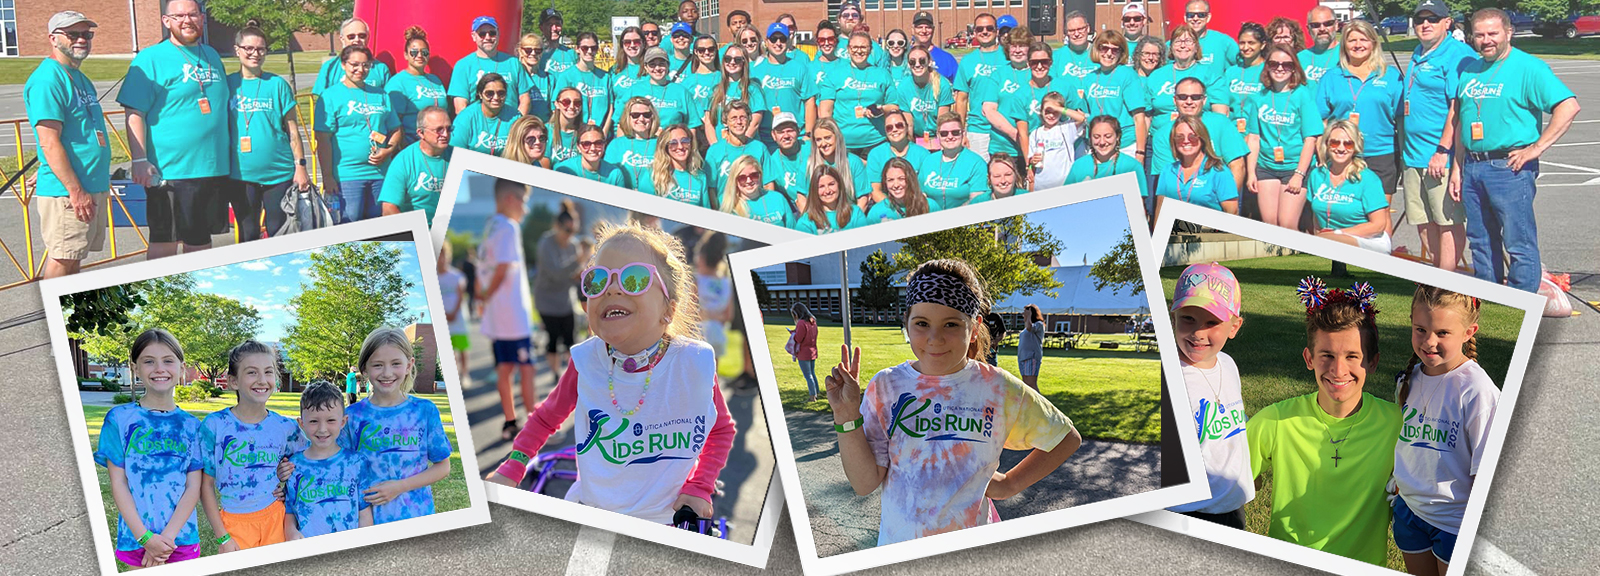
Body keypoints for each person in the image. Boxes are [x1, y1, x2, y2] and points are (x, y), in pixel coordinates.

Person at [488, 222, 737, 526]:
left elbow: (721, 431)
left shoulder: (693, 362)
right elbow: (545, 418)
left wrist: (700, 486)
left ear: (668, 310)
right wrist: (513, 465)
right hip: (593, 510)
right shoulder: (586, 360)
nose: (613, 289)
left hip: (667, 517)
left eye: (635, 279)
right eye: (597, 281)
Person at [828, 259, 1082, 545]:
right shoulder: (887, 387)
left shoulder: (997, 387)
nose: (935, 338)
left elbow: (1066, 438)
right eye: (922, 323)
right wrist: (846, 414)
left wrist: (1011, 483)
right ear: (907, 325)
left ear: (974, 328)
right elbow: (864, 483)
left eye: (951, 324)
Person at [1249, 277, 1400, 566]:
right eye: (1326, 355)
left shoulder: (1396, 424)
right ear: (1309, 358)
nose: (1338, 369)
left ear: (1373, 362)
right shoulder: (1276, 420)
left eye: (1352, 356)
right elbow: (1229, 478)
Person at [1451, 8, 1578, 292]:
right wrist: (1458, 169)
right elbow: (1462, 121)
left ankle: (1521, 304)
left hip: (1509, 168)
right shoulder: (1470, 69)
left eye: (1493, 33)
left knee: (1518, 242)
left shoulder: (1528, 67)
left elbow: (1568, 107)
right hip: (1473, 166)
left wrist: (1536, 148)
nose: (1486, 40)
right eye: (1479, 34)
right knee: (1481, 241)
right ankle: (1488, 300)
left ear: (1509, 32)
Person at [1393, 286, 1498, 575]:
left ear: (1469, 331)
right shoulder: (1409, 379)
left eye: (1442, 333)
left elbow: (1486, 473)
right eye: (1420, 329)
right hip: (1408, 512)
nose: (1429, 342)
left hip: (1454, 524)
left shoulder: (1477, 390)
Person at [120, 0, 230, 258]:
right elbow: (134, 113)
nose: (187, 20)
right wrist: (139, 159)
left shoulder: (212, 55)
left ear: (202, 18)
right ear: (166, 21)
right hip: (170, 170)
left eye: (193, 14)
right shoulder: (149, 59)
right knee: (165, 243)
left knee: (200, 242)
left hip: (212, 167)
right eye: (179, 16)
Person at [96, 329, 204, 569]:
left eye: (168, 361)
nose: (159, 369)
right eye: (149, 361)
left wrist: (165, 540)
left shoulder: (193, 426)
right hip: (136, 538)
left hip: (181, 538)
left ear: (181, 367)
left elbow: (193, 486)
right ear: (136, 368)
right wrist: (146, 538)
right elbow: (119, 483)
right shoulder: (119, 419)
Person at [1164, 263, 1253, 528]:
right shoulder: (1170, 377)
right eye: (1188, 318)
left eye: (1212, 322)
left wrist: (1245, 473)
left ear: (1234, 326)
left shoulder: (1227, 364)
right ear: (1174, 319)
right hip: (1189, 513)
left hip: (1232, 505)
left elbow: (1233, 430)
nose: (1198, 333)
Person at [335, 327, 453, 524]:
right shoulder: (352, 416)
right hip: (366, 520)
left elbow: (443, 466)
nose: (387, 373)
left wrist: (400, 486)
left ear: (409, 365)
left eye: (396, 363)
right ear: (364, 369)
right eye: (378, 365)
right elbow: (337, 466)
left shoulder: (424, 410)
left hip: (416, 516)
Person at [198, 340, 305, 551]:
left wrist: (288, 475)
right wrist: (222, 538)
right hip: (234, 522)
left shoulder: (286, 427)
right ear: (233, 381)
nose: (262, 380)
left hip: (276, 517)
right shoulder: (215, 426)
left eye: (268, 372)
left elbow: (309, 462)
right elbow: (205, 485)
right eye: (252, 373)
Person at [29, 11, 111, 277]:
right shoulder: (48, 80)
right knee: (63, 259)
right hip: (70, 192)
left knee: (75, 258)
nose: (81, 40)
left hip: (90, 184)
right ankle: (52, 316)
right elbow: (49, 141)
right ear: (53, 38)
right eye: (73, 34)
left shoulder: (81, 79)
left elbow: (74, 133)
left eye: (86, 34)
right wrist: (75, 191)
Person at [1403, 0, 1474, 272]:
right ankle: (1436, 276)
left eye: (1433, 19)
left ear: (1447, 23)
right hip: (1413, 155)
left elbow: (1457, 108)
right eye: (1421, 19)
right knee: (1424, 221)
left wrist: (1442, 150)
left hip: (1438, 156)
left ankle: (1447, 281)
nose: (1425, 24)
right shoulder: (1418, 52)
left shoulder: (1458, 54)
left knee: (1447, 221)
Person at [1317, 20, 1403, 227]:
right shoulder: (1331, 77)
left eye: (1363, 39)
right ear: (1343, 44)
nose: (1357, 44)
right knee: (1345, 215)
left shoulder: (1390, 76)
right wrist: (1322, 154)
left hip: (1381, 153)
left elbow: (1401, 118)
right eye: (1351, 40)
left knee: (1380, 216)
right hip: (1342, 154)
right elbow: (1321, 119)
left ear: (1373, 42)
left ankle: (1383, 258)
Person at [313, 45, 403, 224]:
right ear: (343, 64)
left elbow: (396, 129)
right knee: (350, 224)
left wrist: (388, 150)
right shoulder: (330, 96)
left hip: (380, 174)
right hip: (347, 175)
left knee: (380, 226)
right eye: (355, 64)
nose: (360, 70)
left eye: (366, 65)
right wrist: (328, 176)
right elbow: (323, 139)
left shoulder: (380, 94)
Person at [478, 179, 538, 440]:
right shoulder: (508, 227)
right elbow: (502, 268)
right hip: (512, 316)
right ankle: (535, 426)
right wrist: (486, 295)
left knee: (505, 369)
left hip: (499, 315)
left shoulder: (490, 225)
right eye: (523, 201)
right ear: (510, 199)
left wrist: (483, 297)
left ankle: (510, 421)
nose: (525, 209)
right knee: (526, 369)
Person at [283, 382, 373, 539]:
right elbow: (290, 509)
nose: (322, 429)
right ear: (301, 423)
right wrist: (290, 530)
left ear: (343, 422)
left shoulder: (356, 463)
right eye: (313, 421)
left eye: (331, 420)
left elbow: (364, 512)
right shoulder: (294, 465)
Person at [1245, 46, 1322, 230]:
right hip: (1266, 166)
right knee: (1270, 225)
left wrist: (1299, 174)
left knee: (1287, 225)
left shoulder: (1302, 95)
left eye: (1286, 65)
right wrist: (1251, 173)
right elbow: (1254, 138)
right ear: (1267, 67)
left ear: (1294, 68)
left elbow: (1310, 139)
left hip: (1295, 167)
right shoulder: (1259, 96)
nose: (1280, 69)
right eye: (1274, 64)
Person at [1149, 77, 1248, 192]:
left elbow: (1237, 166)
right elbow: (1167, 179)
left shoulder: (1221, 123)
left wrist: (1227, 200)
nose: (1189, 101)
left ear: (1204, 100)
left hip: (1221, 193)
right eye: (1182, 97)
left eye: (1195, 97)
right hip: (1182, 198)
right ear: (1174, 100)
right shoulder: (1162, 134)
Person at [1309, 121, 1391, 253]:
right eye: (1335, 142)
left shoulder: (1368, 179)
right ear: (1326, 145)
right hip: (1329, 238)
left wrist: (1338, 234)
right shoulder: (1317, 175)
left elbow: (1379, 225)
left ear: (1355, 147)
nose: (1341, 148)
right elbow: (1316, 216)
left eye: (1348, 144)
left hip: (1368, 240)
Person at [535, 205, 588, 376]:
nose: (570, 234)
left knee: (571, 340)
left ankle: (570, 375)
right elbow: (555, 274)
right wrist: (576, 262)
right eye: (567, 229)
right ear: (557, 226)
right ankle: (555, 373)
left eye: (573, 230)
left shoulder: (573, 245)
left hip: (565, 300)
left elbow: (573, 276)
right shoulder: (545, 243)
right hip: (547, 300)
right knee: (552, 339)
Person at [823, 32, 895, 156]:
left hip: (876, 141)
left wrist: (881, 109)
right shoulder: (834, 74)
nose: (859, 51)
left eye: (863, 47)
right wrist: (830, 138)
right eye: (854, 47)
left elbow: (894, 106)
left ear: (870, 49)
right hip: (844, 142)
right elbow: (825, 112)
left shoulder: (882, 74)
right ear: (848, 49)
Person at [1155, 115, 1239, 221]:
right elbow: (1160, 211)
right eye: (1180, 137)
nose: (1186, 141)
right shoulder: (1167, 171)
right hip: (1174, 235)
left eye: (1192, 136)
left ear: (1202, 138)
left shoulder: (1219, 171)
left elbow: (1232, 213)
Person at [380, 106, 453, 226]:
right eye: (439, 130)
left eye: (449, 129)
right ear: (421, 133)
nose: (445, 134)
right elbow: (388, 209)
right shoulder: (403, 161)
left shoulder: (457, 155)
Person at [1081, 30, 1146, 155]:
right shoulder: (1089, 78)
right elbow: (1085, 115)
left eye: (1114, 50)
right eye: (1104, 48)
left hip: (1124, 145)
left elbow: (1139, 118)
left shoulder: (1127, 75)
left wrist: (1140, 152)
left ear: (1121, 53)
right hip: (1097, 145)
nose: (1109, 54)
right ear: (1097, 49)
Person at [448, 16, 529, 115]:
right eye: (482, 34)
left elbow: (525, 99)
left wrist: (517, 125)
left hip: (510, 125)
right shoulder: (463, 66)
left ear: (498, 34)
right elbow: (460, 107)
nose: (487, 37)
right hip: (478, 127)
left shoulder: (514, 63)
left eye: (492, 33)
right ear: (473, 36)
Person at [955, 13, 1006, 159]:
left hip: (1004, 127)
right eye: (980, 29)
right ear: (974, 32)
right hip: (978, 130)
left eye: (989, 28)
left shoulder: (1008, 56)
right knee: (979, 175)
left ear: (996, 30)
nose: (985, 32)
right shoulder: (967, 61)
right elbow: (962, 99)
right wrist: (961, 131)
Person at [386, 27, 448, 146]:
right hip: (413, 146)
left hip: (439, 145)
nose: (419, 55)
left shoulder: (435, 80)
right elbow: (394, 123)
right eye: (414, 52)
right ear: (406, 55)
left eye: (424, 52)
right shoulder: (398, 83)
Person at [918, 112, 991, 209]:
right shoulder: (928, 161)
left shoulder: (976, 163)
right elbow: (921, 195)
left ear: (963, 133)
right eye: (944, 133)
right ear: (938, 136)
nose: (950, 137)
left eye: (955, 132)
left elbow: (977, 201)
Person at [1067, 115, 1150, 197]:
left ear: (1117, 137)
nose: (1102, 142)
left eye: (1108, 136)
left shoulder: (1132, 166)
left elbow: (1137, 204)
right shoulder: (1078, 165)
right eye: (1096, 137)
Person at [754, 22, 809, 144]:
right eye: (773, 39)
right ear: (767, 42)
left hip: (796, 135)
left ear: (788, 41)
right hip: (765, 136)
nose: (778, 43)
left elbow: (809, 101)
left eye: (782, 39)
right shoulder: (755, 71)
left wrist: (808, 134)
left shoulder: (799, 67)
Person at [892, 46, 954, 149]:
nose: (917, 65)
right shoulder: (903, 87)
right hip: (916, 137)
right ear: (908, 64)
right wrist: (911, 147)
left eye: (922, 60)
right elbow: (909, 123)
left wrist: (940, 146)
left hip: (939, 137)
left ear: (929, 62)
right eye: (912, 62)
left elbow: (943, 121)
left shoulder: (942, 84)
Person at [706, 43, 766, 145]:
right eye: (728, 59)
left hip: (745, 147)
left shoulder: (753, 89)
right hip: (721, 147)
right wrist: (716, 147)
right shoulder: (715, 90)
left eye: (737, 59)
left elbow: (754, 123)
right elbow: (709, 123)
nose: (732, 62)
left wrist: (738, 146)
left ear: (744, 62)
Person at [552, 33, 611, 134]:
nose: (589, 51)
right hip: (576, 133)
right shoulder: (567, 76)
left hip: (601, 133)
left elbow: (610, 108)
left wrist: (603, 133)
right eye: (585, 48)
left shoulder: (605, 77)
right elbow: (556, 106)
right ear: (577, 49)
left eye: (593, 48)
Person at [313, 18, 390, 96]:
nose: (357, 40)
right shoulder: (329, 67)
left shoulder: (381, 69)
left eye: (362, 36)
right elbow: (320, 99)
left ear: (368, 37)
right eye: (351, 36)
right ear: (342, 39)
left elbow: (388, 100)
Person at [644, 124, 713, 208]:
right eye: (673, 143)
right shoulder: (652, 174)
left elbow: (705, 214)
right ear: (665, 147)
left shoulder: (700, 177)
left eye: (684, 141)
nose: (680, 147)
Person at [867, 111, 933, 198]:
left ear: (906, 127)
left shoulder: (923, 154)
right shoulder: (875, 155)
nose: (894, 129)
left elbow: (925, 189)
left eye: (899, 125)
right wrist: (895, 210)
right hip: (888, 205)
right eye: (889, 128)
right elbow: (875, 191)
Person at [705, 101, 768, 191]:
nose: (738, 122)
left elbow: (768, 184)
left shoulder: (760, 148)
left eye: (743, 118)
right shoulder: (714, 151)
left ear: (749, 121)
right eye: (733, 118)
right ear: (725, 122)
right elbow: (711, 189)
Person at [450, 73, 519, 156]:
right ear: (480, 94)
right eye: (490, 93)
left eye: (501, 93)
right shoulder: (466, 118)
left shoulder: (516, 116)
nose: (496, 97)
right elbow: (455, 153)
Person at [810, 119, 871, 209]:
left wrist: (855, 220)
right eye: (818, 140)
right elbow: (802, 199)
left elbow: (863, 199)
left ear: (837, 137)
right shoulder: (809, 165)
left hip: (850, 215)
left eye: (827, 138)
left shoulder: (854, 162)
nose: (823, 144)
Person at [1215, 23, 1266, 131]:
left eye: (1251, 43)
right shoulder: (1231, 72)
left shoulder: (1268, 70)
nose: (1246, 47)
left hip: (1257, 132)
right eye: (1242, 43)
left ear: (1262, 45)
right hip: (1233, 129)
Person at [1032, 94, 1087, 191]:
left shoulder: (1066, 128)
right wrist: (1033, 161)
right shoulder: (1035, 133)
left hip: (1064, 182)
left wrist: (1059, 108)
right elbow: (1031, 159)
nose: (1051, 115)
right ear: (1041, 111)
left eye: (1055, 112)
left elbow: (1081, 118)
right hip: (1041, 184)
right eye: (1048, 111)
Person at [719, 155, 793, 226]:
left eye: (754, 175)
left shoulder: (778, 199)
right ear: (735, 180)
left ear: (760, 176)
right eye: (742, 178)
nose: (749, 181)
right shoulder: (728, 204)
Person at [605, 97, 661, 187]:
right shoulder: (616, 145)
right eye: (635, 115)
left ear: (652, 117)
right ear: (628, 117)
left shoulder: (661, 144)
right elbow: (608, 178)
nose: (641, 119)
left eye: (646, 115)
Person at [695, 231, 734, 359]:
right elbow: (729, 315)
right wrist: (715, 317)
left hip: (697, 336)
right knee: (714, 374)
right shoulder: (726, 283)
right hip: (718, 335)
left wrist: (706, 315)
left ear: (701, 257)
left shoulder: (696, 281)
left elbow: (690, 313)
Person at [796, 164, 867, 235]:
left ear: (839, 185)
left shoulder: (856, 213)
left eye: (831, 184)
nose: (827, 191)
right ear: (815, 190)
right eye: (821, 187)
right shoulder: (806, 222)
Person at [555, 125, 630, 188]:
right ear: (578, 147)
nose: (593, 148)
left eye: (598, 143)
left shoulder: (615, 174)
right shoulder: (565, 170)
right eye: (586, 144)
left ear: (604, 145)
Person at [868, 156, 939, 222]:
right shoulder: (876, 212)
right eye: (890, 180)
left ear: (910, 179)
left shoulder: (930, 205)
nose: (896, 185)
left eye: (901, 179)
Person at [1179, 0, 1239, 76]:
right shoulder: (1176, 45)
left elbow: (1243, 66)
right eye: (1191, 15)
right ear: (1185, 17)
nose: (1195, 18)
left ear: (1208, 17)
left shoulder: (1224, 42)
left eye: (1201, 15)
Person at [439, 240, 470, 387]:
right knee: (449, 352)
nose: (440, 259)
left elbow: (460, 295)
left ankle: (465, 374)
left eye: (443, 255)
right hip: (443, 321)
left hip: (457, 319)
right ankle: (455, 376)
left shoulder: (457, 276)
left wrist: (453, 313)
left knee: (462, 348)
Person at [763, 112, 813, 204]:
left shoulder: (812, 148)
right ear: (773, 135)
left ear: (798, 131)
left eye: (790, 130)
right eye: (781, 132)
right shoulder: (771, 160)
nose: (786, 136)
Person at [808, 22, 846, 136]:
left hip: (840, 123)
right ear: (817, 42)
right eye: (822, 40)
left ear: (836, 41)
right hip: (815, 122)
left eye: (830, 39)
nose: (826, 43)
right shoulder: (809, 67)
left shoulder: (846, 66)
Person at [1300, 6, 1343, 94]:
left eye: (1328, 23)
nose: (1322, 29)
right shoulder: (1300, 58)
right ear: (1308, 29)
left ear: (1336, 25)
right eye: (1315, 25)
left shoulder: (1349, 54)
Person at [513, 33, 554, 120]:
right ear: (520, 50)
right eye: (528, 50)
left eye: (537, 50)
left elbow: (553, 110)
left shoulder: (549, 79)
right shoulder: (514, 77)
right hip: (520, 127)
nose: (533, 53)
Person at [909, 11, 957, 80]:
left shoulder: (947, 59)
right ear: (913, 30)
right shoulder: (904, 56)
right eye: (920, 27)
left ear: (933, 29)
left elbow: (959, 88)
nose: (924, 31)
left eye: (928, 27)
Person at [1053, 11, 1096, 83]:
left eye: (1080, 29)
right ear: (1066, 32)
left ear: (1088, 28)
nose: (1076, 34)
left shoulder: (1100, 54)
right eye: (1072, 30)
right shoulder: (1056, 56)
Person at [548, 87, 587, 164]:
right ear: (557, 104)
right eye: (566, 102)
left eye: (577, 103)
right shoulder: (546, 130)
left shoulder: (586, 131)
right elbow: (543, 162)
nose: (572, 106)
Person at [792, 303, 821, 401]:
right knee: (812, 373)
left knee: (808, 375)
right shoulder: (812, 321)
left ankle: (812, 396)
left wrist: (793, 334)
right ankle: (817, 392)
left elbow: (798, 339)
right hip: (812, 350)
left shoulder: (801, 323)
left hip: (803, 352)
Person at [1017, 304, 1046, 392]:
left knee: (1031, 384)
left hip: (1031, 357)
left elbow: (1030, 328)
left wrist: (1028, 315)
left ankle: (1040, 404)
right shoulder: (1026, 328)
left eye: (1024, 312)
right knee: (1026, 384)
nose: (1023, 314)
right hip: (1023, 358)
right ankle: (1029, 405)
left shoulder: (1039, 325)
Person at [539, 8, 576, 75]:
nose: (554, 28)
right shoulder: (536, 53)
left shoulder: (571, 53)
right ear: (541, 28)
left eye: (557, 24)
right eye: (549, 24)